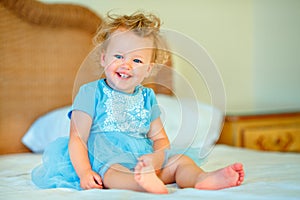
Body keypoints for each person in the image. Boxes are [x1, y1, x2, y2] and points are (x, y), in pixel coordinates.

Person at [31, 12, 244, 194]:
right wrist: (85, 172)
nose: (127, 65)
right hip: (107, 158)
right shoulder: (91, 93)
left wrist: (157, 158)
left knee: (179, 160)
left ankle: (201, 179)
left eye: (137, 60)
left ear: (148, 70)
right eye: (119, 56)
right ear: (104, 59)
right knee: (114, 174)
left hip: (144, 158)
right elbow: (77, 138)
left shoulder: (147, 97)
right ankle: (143, 184)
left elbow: (160, 139)